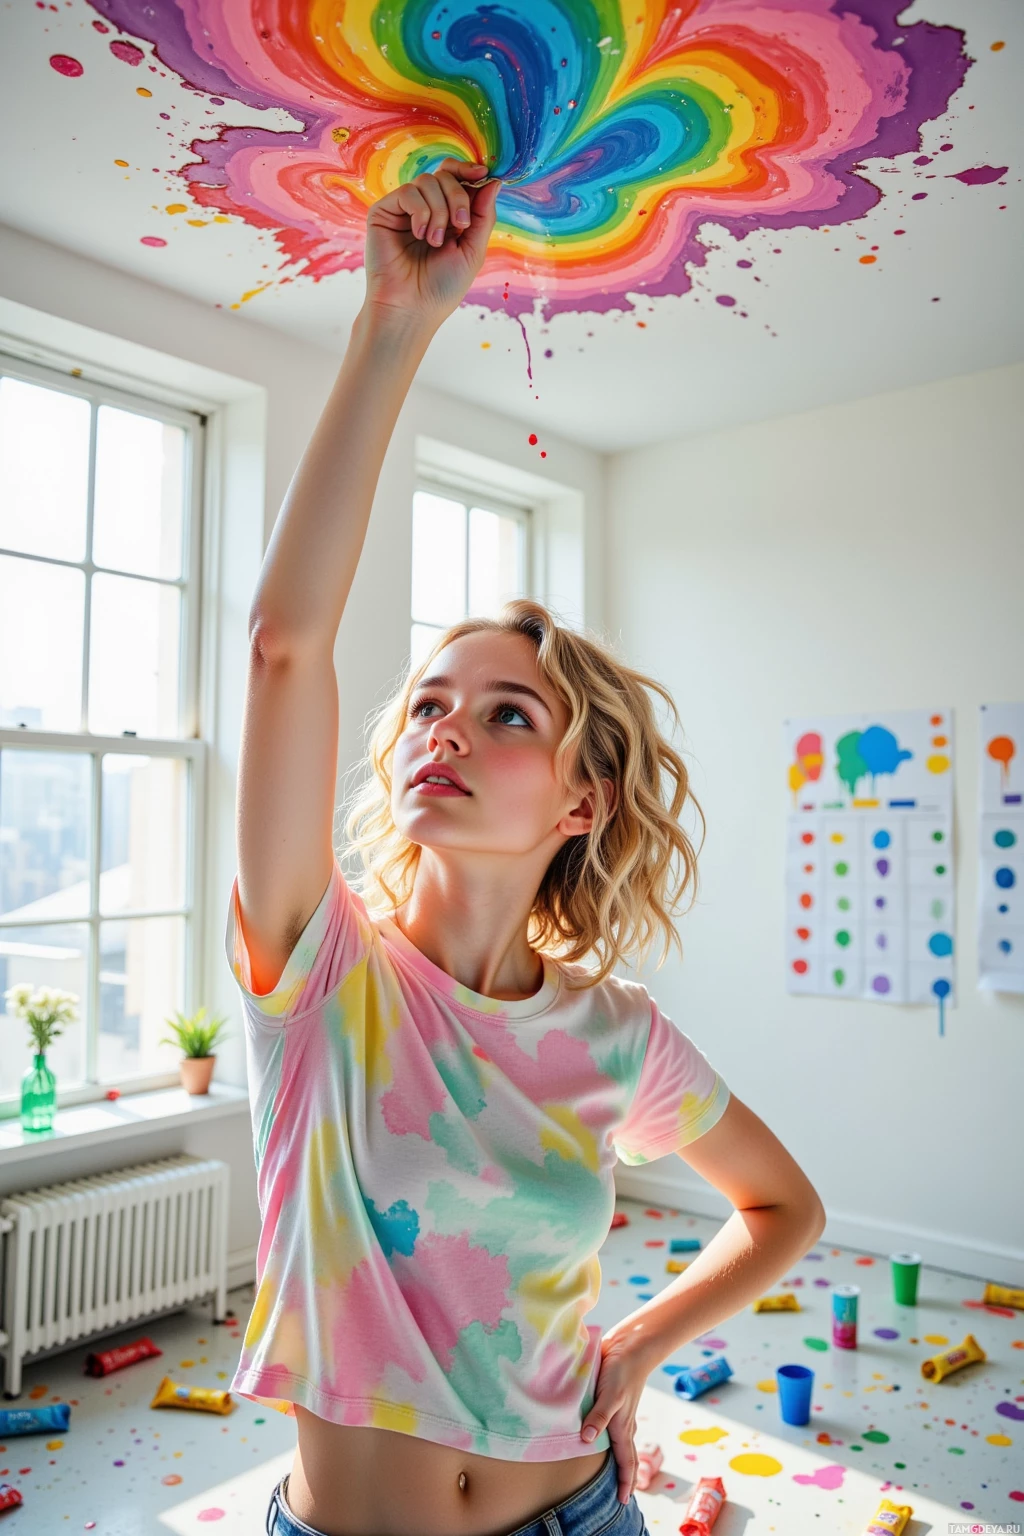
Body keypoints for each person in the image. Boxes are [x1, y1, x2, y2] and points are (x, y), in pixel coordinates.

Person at [226, 157, 826, 1536]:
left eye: (507, 714)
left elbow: (783, 1208)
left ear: (579, 804)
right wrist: (395, 324)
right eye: (429, 703)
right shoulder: (323, 974)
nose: (447, 728)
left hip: (585, 1508)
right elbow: (284, 649)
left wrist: (641, 1343)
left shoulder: (615, 1036)